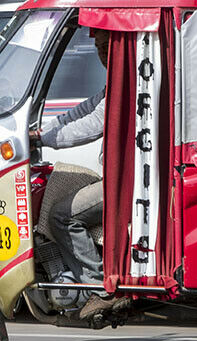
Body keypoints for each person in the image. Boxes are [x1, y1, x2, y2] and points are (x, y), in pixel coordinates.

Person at [30, 29, 128, 323]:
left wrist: (44, 140)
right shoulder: (115, 83)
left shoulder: (128, 84)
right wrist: (38, 131)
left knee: (62, 215)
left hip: (126, 183)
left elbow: (93, 124)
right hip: (119, 177)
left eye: (108, 46)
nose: (102, 53)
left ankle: (99, 289)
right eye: (98, 47)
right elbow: (81, 112)